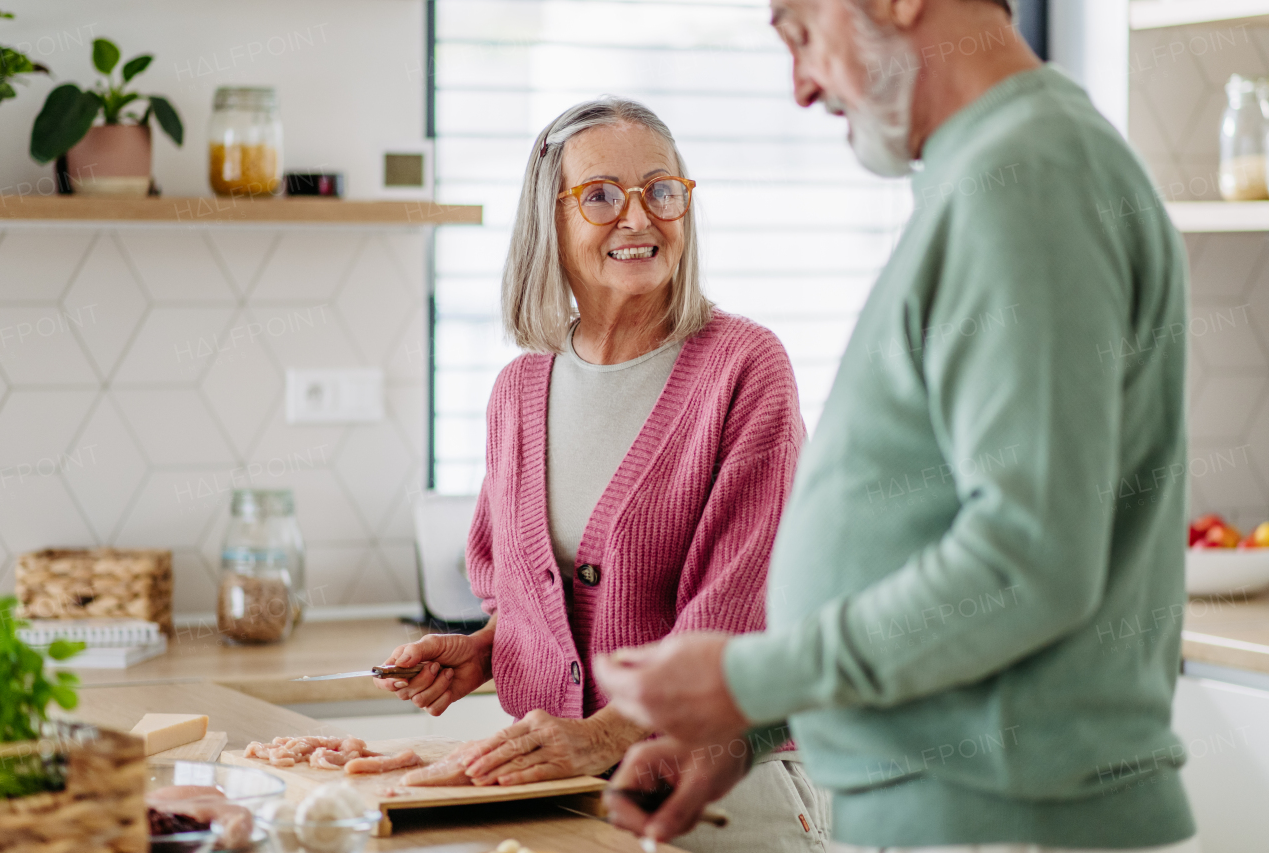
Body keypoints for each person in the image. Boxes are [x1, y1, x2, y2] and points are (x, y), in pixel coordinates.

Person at [594, 2, 1200, 853]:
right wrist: (754, 728)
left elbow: (1026, 560)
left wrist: (745, 678)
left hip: (1006, 815)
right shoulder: (998, 170)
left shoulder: (1026, 176)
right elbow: (931, 540)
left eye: (800, 34)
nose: (800, 86)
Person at [374, 97, 831, 852]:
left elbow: (740, 614)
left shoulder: (745, 368)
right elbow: (555, 600)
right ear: (548, 220)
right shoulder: (519, 392)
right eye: (601, 195)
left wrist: (601, 735)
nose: (638, 217)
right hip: (566, 796)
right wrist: (489, 647)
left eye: (661, 189)